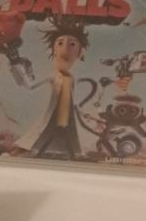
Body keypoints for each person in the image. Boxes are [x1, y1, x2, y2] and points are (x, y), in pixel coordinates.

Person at [14, 17, 89, 160]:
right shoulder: (53, 76)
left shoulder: (71, 78)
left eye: (72, 44)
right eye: (60, 43)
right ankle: (32, 152)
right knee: (42, 135)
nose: (65, 48)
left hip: (67, 119)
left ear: (80, 52)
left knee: (68, 139)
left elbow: (72, 99)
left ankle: (71, 156)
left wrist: (82, 112)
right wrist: (20, 70)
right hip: (53, 117)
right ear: (53, 49)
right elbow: (30, 86)